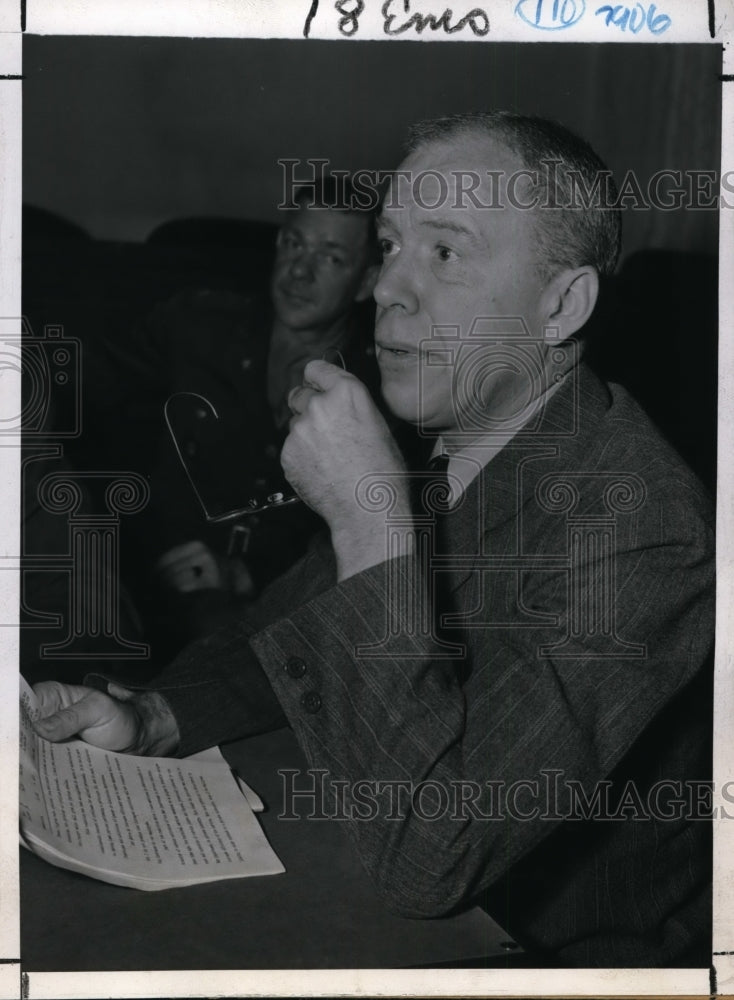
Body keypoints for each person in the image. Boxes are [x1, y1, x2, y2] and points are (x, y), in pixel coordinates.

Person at [32, 112, 714, 967]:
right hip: (377, 881)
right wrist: (153, 717)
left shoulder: (647, 526)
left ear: (561, 305)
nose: (389, 286)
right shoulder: (455, 447)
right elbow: (281, 642)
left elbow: (434, 859)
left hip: (547, 957)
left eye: (445, 252)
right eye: (390, 246)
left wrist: (368, 513)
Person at [115, 177, 384, 653]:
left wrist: (244, 572)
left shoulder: (378, 390)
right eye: (294, 243)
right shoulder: (198, 326)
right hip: (145, 587)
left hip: (280, 615)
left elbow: (367, 542)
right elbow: (94, 407)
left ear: (366, 281)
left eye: (331, 257)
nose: (299, 272)